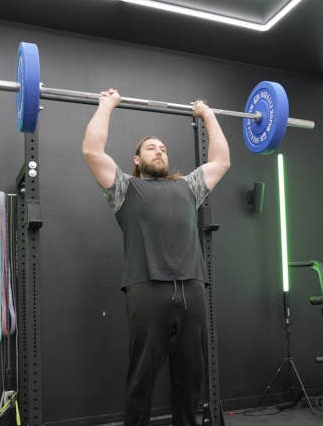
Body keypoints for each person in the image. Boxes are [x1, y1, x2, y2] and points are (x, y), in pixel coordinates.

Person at [82, 88, 230, 426]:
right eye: (151, 148)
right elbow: (92, 151)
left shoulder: (188, 187)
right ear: (137, 159)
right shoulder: (125, 190)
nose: (159, 151)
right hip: (147, 288)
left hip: (192, 287)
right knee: (142, 381)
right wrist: (106, 105)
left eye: (162, 148)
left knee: (191, 377)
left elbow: (221, 161)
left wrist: (207, 114)